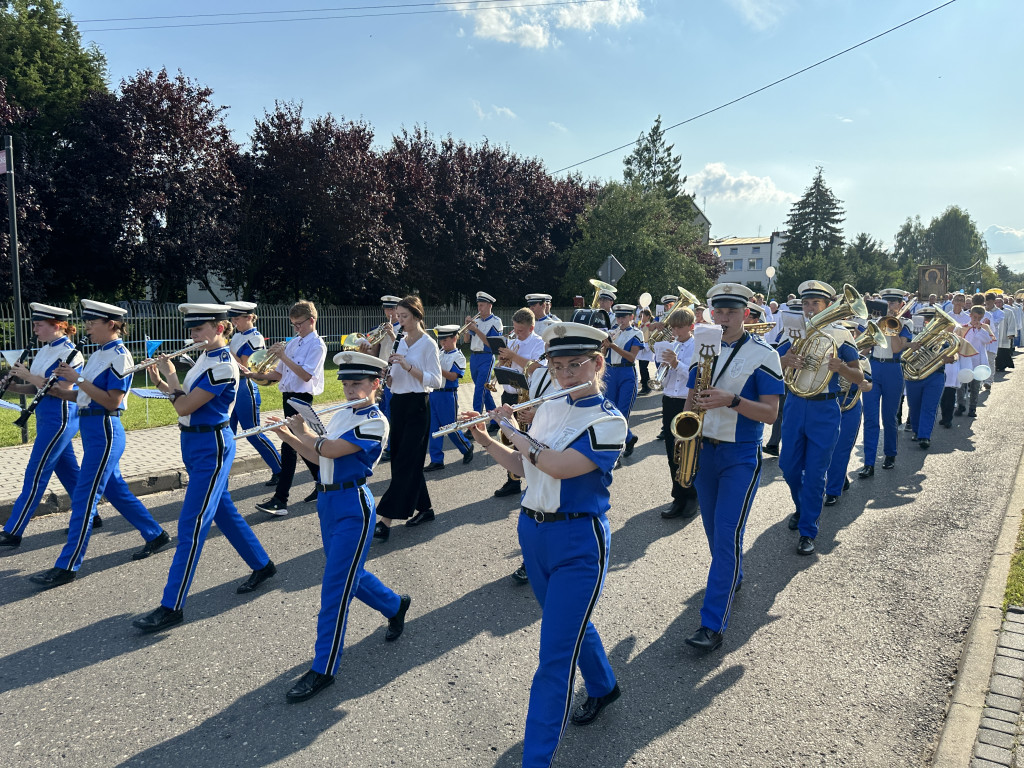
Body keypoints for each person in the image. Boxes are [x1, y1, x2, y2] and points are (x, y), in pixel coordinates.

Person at [467, 321, 627, 767]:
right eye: (557, 367)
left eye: (575, 365)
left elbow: (555, 465)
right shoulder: (552, 408)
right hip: (532, 534)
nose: (565, 375)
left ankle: (535, 759)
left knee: (554, 657)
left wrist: (515, 429)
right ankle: (604, 686)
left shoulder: (609, 420)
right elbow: (522, 467)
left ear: (597, 363)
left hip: (578, 539)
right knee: (569, 625)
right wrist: (484, 435)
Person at [269, 351, 411, 702]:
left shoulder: (376, 421)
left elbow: (330, 450)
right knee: (350, 574)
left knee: (334, 588)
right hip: (327, 503)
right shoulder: (343, 415)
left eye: (357, 384)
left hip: (352, 507)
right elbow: (318, 457)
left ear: (376, 384)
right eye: (346, 384)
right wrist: (286, 434)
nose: (349, 391)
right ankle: (395, 605)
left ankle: (323, 668)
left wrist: (301, 428)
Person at [133, 304, 276, 633]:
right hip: (195, 443)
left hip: (211, 445)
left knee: (191, 526)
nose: (193, 335)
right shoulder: (207, 358)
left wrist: (170, 380)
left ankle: (172, 605)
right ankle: (262, 565)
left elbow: (183, 403)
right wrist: (160, 377)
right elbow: (183, 399)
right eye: (192, 330)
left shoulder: (224, 365)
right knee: (223, 511)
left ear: (221, 328)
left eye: (200, 329)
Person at [28, 301, 171, 588]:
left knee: (84, 497)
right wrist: (53, 389)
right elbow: (84, 397)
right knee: (117, 491)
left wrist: (77, 378)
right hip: (92, 428)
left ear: (111, 324)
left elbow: (111, 401)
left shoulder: (120, 356)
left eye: (92, 322)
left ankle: (67, 565)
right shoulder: (97, 355)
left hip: (106, 428)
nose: (87, 328)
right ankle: (155, 534)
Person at [683, 284, 782, 651]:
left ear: (745, 313)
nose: (723, 318)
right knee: (713, 531)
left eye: (731, 311)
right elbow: (692, 397)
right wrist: (684, 432)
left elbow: (771, 414)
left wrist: (733, 400)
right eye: (718, 312)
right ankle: (733, 574)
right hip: (704, 452)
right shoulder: (702, 347)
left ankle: (713, 624)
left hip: (740, 454)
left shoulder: (764, 355)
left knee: (726, 533)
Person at [777, 281, 863, 556]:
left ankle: (807, 530)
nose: (810, 308)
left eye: (816, 303)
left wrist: (841, 368)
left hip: (825, 409)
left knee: (815, 474)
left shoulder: (841, 335)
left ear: (828, 305)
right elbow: (771, 368)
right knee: (788, 467)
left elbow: (859, 377)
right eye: (806, 303)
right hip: (794, 404)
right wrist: (785, 362)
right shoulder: (791, 333)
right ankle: (803, 508)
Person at [1, 304, 91, 548]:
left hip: (59, 418)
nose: (35, 329)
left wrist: (28, 375)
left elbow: (62, 390)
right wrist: (13, 387)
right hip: (46, 417)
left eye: (39, 325)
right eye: (35, 324)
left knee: (36, 472)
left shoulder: (71, 353)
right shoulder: (45, 350)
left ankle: (13, 530)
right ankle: (91, 516)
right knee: (70, 473)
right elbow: (37, 388)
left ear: (57, 326)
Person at [375, 296, 443, 540]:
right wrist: (389, 378)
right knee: (404, 462)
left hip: (417, 406)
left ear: (416, 316)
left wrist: (407, 367)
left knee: (405, 462)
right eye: (398, 316)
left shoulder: (428, 344)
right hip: (399, 403)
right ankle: (425, 509)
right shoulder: (400, 341)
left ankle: (384, 520)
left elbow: (436, 381)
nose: (399, 321)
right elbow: (397, 378)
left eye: (403, 317)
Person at [253, 300, 328, 516]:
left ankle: (280, 499)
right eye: (293, 324)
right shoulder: (294, 343)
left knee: (289, 446)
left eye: (299, 324)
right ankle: (323, 480)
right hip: (288, 396)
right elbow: (277, 375)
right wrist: (251, 374)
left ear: (312, 321)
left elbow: (305, 375)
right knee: (299, 442)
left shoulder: (317, 345)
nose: (296, 328)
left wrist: (283, 355)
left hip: (302, 397)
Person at [858, 289, 913, 478]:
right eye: (886, 302)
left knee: (889, 417)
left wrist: (891, 327)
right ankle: (869, 462)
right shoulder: (873, 323)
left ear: (900, 304)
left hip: (893, 369)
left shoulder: (905, 323)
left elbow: (897, 348)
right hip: (874, 368)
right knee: (871, 419)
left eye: (893, 302)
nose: (889, 306)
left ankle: (890, 454)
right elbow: (865, 349)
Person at [226, 301, 282, 486]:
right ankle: (221, 474)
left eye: (237, 318)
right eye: (233, 318)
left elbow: (245, 366)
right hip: (232, 386)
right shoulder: (238, 336)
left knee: (253, 432)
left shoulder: (255, 338)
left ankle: (280, 469)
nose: (234, 323)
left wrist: (224, 349)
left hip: (245, 387)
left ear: (249, 317)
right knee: (227, 432)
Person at [493, 308, 545, 499]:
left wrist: (513, 357)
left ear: (531, 327)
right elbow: (506, 366)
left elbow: (536, 368)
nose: (517, 333)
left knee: (525, 439)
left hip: (525, 398)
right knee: (507, 438)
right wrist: (503, 362)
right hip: (508, 395)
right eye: (515, 329)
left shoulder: (538, 344)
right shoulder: (513, 341)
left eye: (521, 330)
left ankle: (531, 478)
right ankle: (512, 480)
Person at [654, 306, 698, 520]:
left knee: (688, 450)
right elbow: (664, 378)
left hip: (686, 401)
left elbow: (695, 375)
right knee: (672, 450)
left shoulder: (698, 346)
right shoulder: (670, 345)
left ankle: (691, 497)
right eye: (674, 327)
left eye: (680, 327)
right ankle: (678, 496)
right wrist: (661, 366)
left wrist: (676, 363)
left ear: (691, 326)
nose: (676, 331)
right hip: (669, 400)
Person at [823, 345, 872, 506]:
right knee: (826, 448)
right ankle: (840, 477)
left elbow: (869, 382)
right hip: (827, 404)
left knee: (841, 449)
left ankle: (832, 491)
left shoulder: (862, 360)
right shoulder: (824, 357)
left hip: (849, 404)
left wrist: (866, 385)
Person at [424, 325, 473, 472]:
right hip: (433, 393)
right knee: (433, 428)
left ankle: (466, 447)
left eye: (445, 340)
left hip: (447, 394)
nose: (443, 344)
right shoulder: (439, 352)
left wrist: (436, 368)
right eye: (441, 341)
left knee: (450, 427)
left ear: (454, 338)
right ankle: (436, 460)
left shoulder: (459, 357)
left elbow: (453, 376)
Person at [603, 304, 643, 458]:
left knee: (622, 412)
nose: (620, 320)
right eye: (618, 317)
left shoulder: (636, 333)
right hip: (610, 372)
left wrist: (612, 345)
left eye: (624, 317)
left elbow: (631, 357)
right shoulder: (611, 332)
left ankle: (616, 452)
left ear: (631, 317)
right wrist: (605, 345)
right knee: (610, 412)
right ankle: (629, 438)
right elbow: (602, 353)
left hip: (626, 372)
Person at [463, 291, 502, 431]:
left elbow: (491, 344)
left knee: (479, 390)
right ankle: (495, 420)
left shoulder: (496, 322)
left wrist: (476, 329)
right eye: (478, 305)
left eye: (482, 305)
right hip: (474, 357)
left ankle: (475, 424)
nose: (479, 309)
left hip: (486, 357)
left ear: (489, 305)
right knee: (485, 390)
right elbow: (466, 340)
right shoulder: (477, 321)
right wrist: (467, 327)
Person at [959, 307, 995, 417]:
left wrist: (980, 329)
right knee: (961, 384)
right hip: (965, 359)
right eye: (975, 317)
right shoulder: (963, 328)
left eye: (980, 318)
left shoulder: (985, 328)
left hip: (978, 361)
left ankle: (972, 408)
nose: (977, 319)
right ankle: (961, 405)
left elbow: (988, 340)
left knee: (975, 386)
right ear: (970, 315)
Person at [636, 307, 655, 395]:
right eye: (640, 316)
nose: (641, 318)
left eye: (642, 316)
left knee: (644, 368)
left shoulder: (650, 326)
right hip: (641, 348)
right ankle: (644, 385)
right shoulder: (641, 325)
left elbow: (651, 337)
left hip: (647, 348)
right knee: (641, 367)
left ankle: (647, 387)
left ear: (648, 317)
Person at [995, 296, 1017, 371]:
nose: (998, 304)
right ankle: (995, 365)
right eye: (996, 302)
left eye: (1000, 302)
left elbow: (1011, 323)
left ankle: (1002, 366)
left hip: (1004, 334)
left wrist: (1010, 333)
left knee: (1003, 351)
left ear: (1003, 303)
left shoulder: (1008, 312)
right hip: (995, 335)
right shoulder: (992, 312)